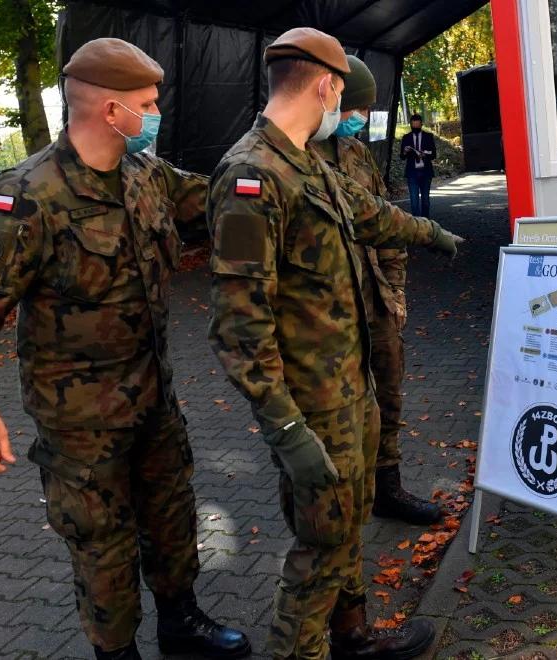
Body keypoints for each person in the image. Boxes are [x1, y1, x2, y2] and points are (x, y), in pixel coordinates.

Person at [0, 38, 250, 660]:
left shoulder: (144, 175)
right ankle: (117, 652)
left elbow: (215, 199)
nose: (155, 113)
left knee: (173, 517)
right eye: (148, 103)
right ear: (111, 111)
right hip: (79, 421)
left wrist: (273, 180)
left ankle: (181, 623)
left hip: (153, 396)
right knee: (100, 543)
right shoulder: (28, 196)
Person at [207, 28, 462, 660]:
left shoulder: (303, 161)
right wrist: (287, 430)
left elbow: (370, 213)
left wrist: (433, 234)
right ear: (326, 85)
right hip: (310, 407)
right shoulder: (251, 177)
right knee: (322, 539)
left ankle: (351, 637)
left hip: (349, 388)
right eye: (342, 93)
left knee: (348, 522)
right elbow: (240, 325)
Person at [309, 56, 442, 526]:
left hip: (376, 303)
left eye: (364, 112)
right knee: (336, 411)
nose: (359, 121)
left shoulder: (358, 155)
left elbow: (389, 228)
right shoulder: (295, 158)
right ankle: (338, 497)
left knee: (388, 395)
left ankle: (388, 488)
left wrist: (397, 294)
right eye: (355, 110)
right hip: (328, 314)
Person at [399, 113, 435, 217]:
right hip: (412, 173)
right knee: (414, 202)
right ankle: (417, 225)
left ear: (421, 125)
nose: (415, 128)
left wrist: (425, 154)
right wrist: (405, 151)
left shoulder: (428, 137)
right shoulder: (406, 138)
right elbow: (402, 156)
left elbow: (433, 154)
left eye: (417, 126)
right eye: (413, 126)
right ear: (410, 125)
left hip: (426, 172)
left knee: (425, 201)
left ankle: (426, 224)